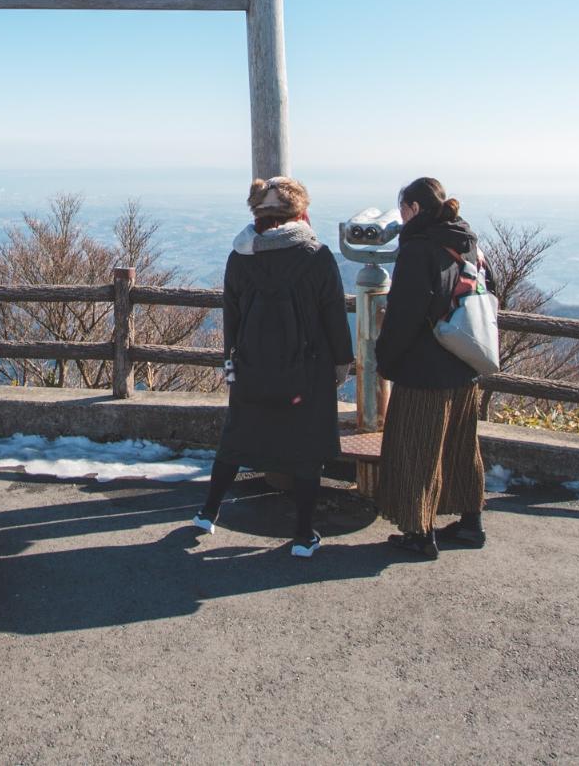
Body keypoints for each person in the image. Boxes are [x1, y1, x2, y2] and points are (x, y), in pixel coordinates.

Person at [194, 174, 354, 557]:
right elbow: (333, 315)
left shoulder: (240, 255)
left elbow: (231, 316)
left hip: (250, 367)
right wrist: (341, 364)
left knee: (236, 439)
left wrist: (231, 362)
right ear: (299, 211)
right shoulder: (315, 256)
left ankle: (207, 512)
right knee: (305, 451)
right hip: (306, 371)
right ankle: (302, 535)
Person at [373, 176, 487, 558]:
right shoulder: (466, 241)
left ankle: (420, 533)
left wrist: (385, 359)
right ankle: (471, 524)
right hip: (465, 360)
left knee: (416, 449)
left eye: (403, 209)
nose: (401, 217)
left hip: (426, 368)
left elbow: (405, 312)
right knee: (460, 447)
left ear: (415, 209)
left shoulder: (418, 248)